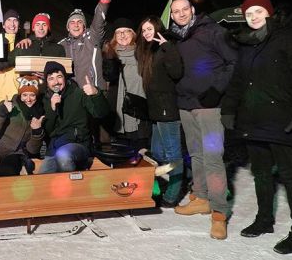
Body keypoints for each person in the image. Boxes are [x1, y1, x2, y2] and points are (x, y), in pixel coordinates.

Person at [222, 0, 292, 254]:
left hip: (282, 119)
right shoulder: (246, 44)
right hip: (253, 119)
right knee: (261, 173)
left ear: (269, 13)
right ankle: (265, 220)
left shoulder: (289, 38)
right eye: (249, 14)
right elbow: (238, 82)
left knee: (289, 176)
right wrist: (229, 109)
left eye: (258, 12)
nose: (253, 18)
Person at [169, 0, 237, 240]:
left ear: (193, 10)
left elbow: (233, 61)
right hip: (185, 105)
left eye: (185, 9)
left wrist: (217, 89)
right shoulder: (176, 37)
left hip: (209, 106)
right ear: (172, 15)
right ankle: (200, 197)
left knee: (212, 158)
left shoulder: (213, 31)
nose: (181, 14)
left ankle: (219, 213)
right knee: (195, 153)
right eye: (176, 11)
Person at [135, 16, 184, 207]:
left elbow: (177, 73)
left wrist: (169, 48)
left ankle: (172, 195)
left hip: (167, 110)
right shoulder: (149, 52)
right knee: (156, 154)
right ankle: (157, 191)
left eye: (150, 29)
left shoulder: (166, 48)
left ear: (158, 30)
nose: (147, 33)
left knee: (173, 156)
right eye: (144, 30)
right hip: (156, 111)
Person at [40, 61, 110, 173]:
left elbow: (101, 113)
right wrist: (52, 109)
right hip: (54, 149)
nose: (56, 82)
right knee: (41, 180)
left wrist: (96, 94)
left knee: (63, 155)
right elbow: (48, 131)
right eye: (51, 78)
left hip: (78, 144)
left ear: (65, 78)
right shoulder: (45, 100)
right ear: (47, 82)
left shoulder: (78, 94)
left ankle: (72, 189)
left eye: (59, 77)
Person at [102, 17, 150, 149]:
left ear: (133, 34)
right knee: (121, 155)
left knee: (141, 153)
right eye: (118, 32)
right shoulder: (109, 54)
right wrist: (110, 58)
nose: (122, 35)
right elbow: (108, 77)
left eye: (126, 31)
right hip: (117, 112)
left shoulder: (143, 53)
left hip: (140, 112)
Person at [60, 0, 110, 90]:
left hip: (95, 90)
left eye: (79, 22)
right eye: (72, 22)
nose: (76, 25)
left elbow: (98, 21)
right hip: (72, 94)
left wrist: (104, 0)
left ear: (84, 26)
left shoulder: (92, 37)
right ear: (67, 27)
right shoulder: (62, 44)